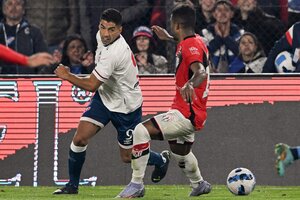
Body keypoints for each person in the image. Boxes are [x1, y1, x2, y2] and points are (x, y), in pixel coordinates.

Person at [52, 8, 169, 195]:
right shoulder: (102, 37)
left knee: (127, 157)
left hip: (126, 107)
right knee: (80, 139)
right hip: (105, 97)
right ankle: (72, 186)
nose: (105, 33)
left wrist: (67, 75)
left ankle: (161, 161)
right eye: (103, 27)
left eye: (111, 29)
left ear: (120, 30)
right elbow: (98, 77)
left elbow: (91, 85)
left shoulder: (116, 52)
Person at [118, 4, 212, 198]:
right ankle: (199, 184)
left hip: (185, 113)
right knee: (180, 152)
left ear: (176, 25)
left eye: (171, 23)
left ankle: (136, 184)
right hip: (194, 112)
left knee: (140, 130)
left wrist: (190, 84)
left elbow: (200, 72)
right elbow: (188, 50)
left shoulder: (189, 46)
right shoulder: (195, 41)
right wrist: (168, 38)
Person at [0, 0, 48, 74]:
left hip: (25, 82)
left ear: (23, 10)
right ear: (4, 9)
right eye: (10, 4)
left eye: (18, 4)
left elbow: (43, 60)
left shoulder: (34, 32)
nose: (14, 7)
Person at [201, 0, 244, 73]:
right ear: (214, 14)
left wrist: (226, 38)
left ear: (232, 14)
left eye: (226, 10)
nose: (223, 13)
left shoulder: (240, 33)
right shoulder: (205, 32)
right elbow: (205, 53)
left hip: (236, 73)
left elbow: (242, 53)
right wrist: (219, 38)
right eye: (219, 10)